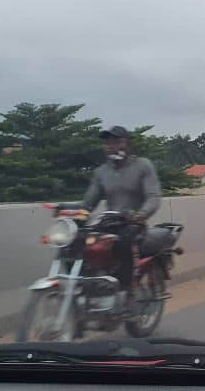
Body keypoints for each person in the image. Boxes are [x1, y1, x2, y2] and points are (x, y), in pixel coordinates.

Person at [68, 125, 162, 313]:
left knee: (123, 243)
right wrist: (64, 209)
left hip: (133, 224)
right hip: (108, 224)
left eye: (117, 141)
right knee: (74, 244)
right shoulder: (101, 172)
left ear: (128, 144)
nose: (111, 146)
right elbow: (88, 204)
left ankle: (127, 293)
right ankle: (82, 291)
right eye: (108, 142)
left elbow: (153, 197)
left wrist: (139, 215)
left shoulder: (143, 166)